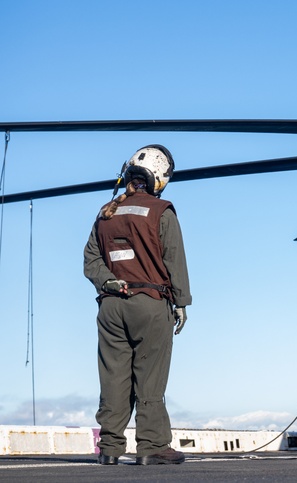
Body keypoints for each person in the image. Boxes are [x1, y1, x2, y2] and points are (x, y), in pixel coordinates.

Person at [83, 145, 192, 466]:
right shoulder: (162, 211)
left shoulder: (107, 212)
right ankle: (153, 445)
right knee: (150, 377)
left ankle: (110, 448)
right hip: (150, 303)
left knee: (114, 378)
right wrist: (182, 302)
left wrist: (108, 281)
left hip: (111, 307)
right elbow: (175, 261)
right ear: (160, 178)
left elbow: (91, 259)